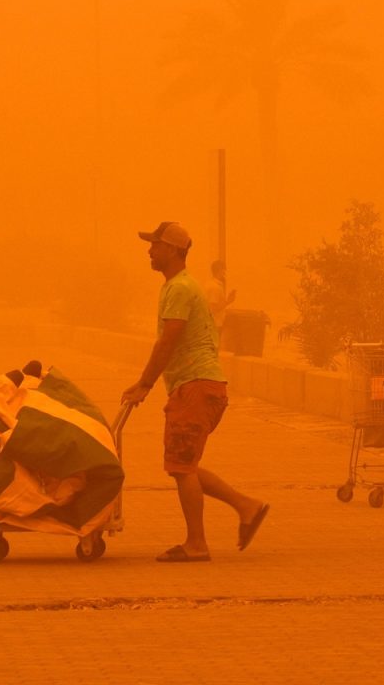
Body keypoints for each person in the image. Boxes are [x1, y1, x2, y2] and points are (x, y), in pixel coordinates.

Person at [122, 221, 269, 562]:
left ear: (173, 250)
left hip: (196, 386)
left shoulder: (180, 289)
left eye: (155, 245)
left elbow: (168, 340)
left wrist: (144, 383)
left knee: (181, 466)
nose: (149, 251)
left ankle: (197, 544)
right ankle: (247, 506)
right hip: (201, 385)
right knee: (182, 464)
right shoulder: (178, 286)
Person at [205, 259, 236, 332]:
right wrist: (228, 301)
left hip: (211, 324)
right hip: (215, 324)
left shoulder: (210, 284)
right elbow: (213, 308)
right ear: (219, 271)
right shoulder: (215, 287)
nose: (224, 273)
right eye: (224, 270)